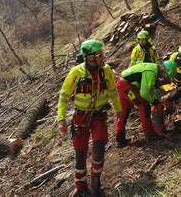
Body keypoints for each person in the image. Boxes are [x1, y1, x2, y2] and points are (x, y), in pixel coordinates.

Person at [57, 40, 122, 196]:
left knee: (99, 146)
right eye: (99, 55)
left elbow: (113, 92)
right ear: (89, 57)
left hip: (99, 116)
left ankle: (95, 181)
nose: (103, 58)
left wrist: (119, 110)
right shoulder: (76, 73)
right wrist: (61, 119)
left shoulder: (106, 71)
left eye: (102, 55)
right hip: (81, 117)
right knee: (80, 152)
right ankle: (80, 187)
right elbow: (64, 95)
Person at [114, 60, 176, 147]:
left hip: (122, 83)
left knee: (124, 110)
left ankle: (119, 138)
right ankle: (150, 134)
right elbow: (145, 93)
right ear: (164, 70)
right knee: (144, 105)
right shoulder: (151, 71)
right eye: (164, 75)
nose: (163, 77)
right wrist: (154, 101)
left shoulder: (152, 68)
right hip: (126, 85)